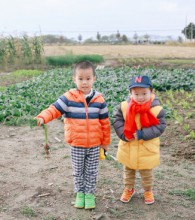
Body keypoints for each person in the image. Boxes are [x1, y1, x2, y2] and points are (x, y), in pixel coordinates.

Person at [35, 61, 111, 209]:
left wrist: (105, 143)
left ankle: (89, 195)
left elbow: (105, 124)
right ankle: (80, 194)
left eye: (88, 78)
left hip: (95, 144)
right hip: (77, 144)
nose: (84, 82)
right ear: (74, 79)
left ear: (94, 79)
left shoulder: (99, 100)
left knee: (91, 171)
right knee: (78, 171)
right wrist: (42, 117)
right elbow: (53, 109)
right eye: (80, 78)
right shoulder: (68, 98)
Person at [113, 75, 166, 205]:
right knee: (128, 171)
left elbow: (160, 127)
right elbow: (117, 121)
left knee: (146, 172)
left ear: (151, 92)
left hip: (146, 148)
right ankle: (128, 188)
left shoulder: (156, 109)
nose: (140, 97)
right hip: (128, 146)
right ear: (130, 94)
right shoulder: (124, 107)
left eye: (144, 93)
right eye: (136, 94)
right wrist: (123, 135)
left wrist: (143, 134)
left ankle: (148, 190)